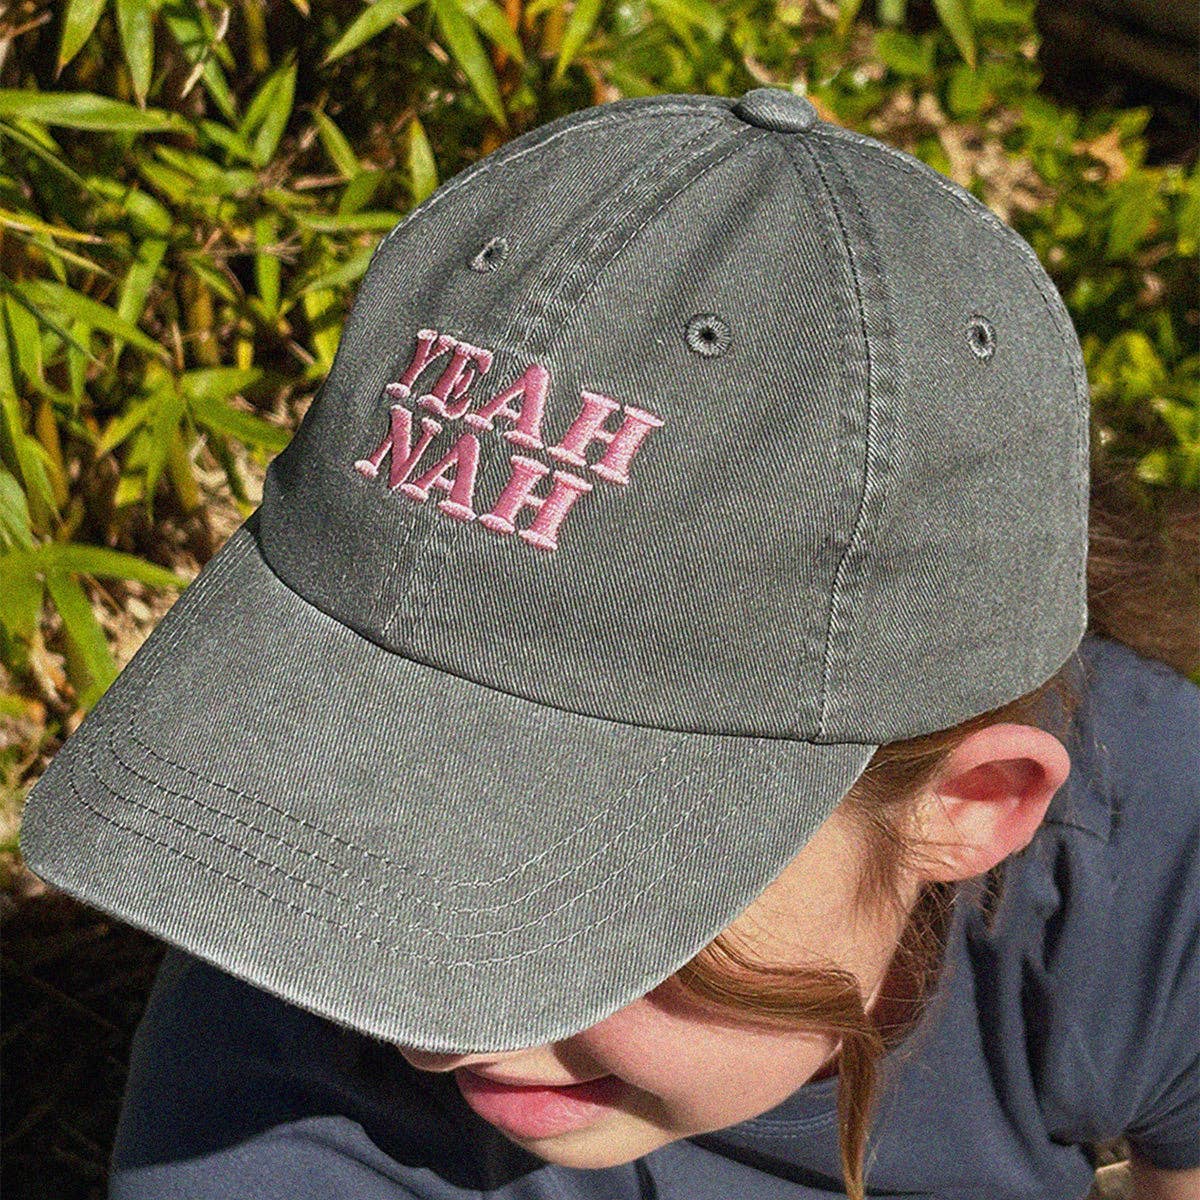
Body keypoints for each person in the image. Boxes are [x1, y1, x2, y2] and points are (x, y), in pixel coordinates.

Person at [16, 88, 1198, 1200]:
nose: (429, 1032)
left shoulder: (1149, 853)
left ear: (971, 802)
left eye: (581, 896)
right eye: (354, 812)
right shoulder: (273, 1080)